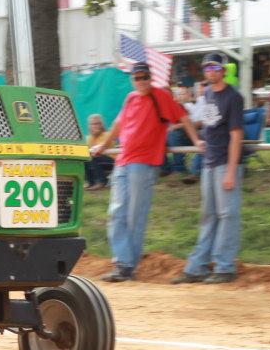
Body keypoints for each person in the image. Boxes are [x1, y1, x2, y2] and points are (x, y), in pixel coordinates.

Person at [90, 62, 202, 282]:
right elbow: (118, 125)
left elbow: (184, 118)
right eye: (137, 78)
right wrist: (103, 147)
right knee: (116, 212)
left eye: (144, 77)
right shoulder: (131, 98)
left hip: (144, 162)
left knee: (135, 215)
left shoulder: (160, 96)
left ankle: (127, 267)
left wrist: (197, 140)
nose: (141, 81)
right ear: (132, 80)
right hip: (123, 160)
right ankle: (122, 262)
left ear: (151, 78)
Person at [173, 53, 245, 284]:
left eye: (215, 67)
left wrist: (232, 171)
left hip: (225, 162)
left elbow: (236, 136)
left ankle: (225, 266)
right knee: (209, 215)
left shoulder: (234, 97)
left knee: (227, 214)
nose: (210, 71)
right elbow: (209, 124)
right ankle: (198, 267)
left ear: (223, 70)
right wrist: (200, 139)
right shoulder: (209, 94)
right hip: (209, 161)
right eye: (207, 67)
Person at [84, 114, 113, 190]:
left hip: (112, 160)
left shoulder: (107, 135)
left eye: (98, 124)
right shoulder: (88, 137)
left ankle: (102, 182)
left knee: (94, 157)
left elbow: (100, 149)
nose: (96, 126)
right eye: (93, 124)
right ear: (89, 126)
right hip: (99, 159)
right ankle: (90, 182)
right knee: (85, 158)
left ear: (101, 125)